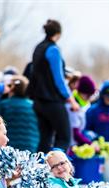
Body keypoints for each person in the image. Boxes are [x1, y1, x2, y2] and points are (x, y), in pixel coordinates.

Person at [27, 19, 79, 152]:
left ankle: (40, 170)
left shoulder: (38, 48)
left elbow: (39, 73)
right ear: (58, 33)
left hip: (38, 101)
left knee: (45, 139)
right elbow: (58, 79)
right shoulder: (53, 49)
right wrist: (71, 100)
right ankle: (58, 169)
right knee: (64, 138)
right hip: (52, 101)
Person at [0, 75, 39, 152]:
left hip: (9, 148)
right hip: (32, 147)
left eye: (10, 85)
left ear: (12, 88)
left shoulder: (3, 105)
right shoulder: (34, 106)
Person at [68, 75, 96, 146]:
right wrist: (90, 144)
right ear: (80, 92)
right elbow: (75, 134)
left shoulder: (84, 105)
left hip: (77, 144)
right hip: (70, 146)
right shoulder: (72, 107)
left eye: (90, 95)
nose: (89, 98)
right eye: (88, 95)